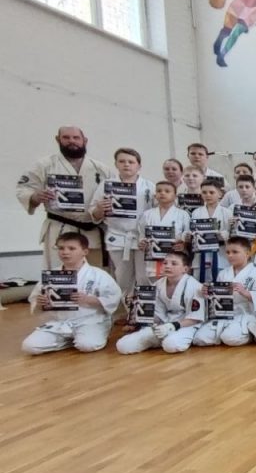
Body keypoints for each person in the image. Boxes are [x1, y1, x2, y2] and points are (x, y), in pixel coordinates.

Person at [17, 125, 112, 269]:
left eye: (76, 138)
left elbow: (113, 193)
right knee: (60, 270)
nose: (71, 141)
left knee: (95, 272)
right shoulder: (45, 165)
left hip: (92, 228)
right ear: (58, 140)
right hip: (60, 227)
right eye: (66, 137)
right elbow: (24, 188)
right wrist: (35, 196)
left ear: (84, 141)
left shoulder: (100, 168)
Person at [22, 233, 121, 355]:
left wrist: (89, 299)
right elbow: (35, 300)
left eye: (71, 248)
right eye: (61, 248)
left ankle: (91, 334)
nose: (65, 252)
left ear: (85, 251)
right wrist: (40, 302)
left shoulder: (98, 275)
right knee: (29, 346)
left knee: (88, 345)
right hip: (59, 323)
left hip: (89, 321)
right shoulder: (51, 275)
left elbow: (113, 297)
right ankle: (69, 341)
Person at [89, 147, 156, 297]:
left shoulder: (149, 186)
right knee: (122, 277)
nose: (126, 164)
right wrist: (100, 209)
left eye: (131, 162)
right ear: (116, 164)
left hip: (142, 238)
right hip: (118, 236)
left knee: (145, 276)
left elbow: (157, 212)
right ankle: (126, 307)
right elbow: (94, 213)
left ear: (139, 166)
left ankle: (145, 307)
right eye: (122, 161)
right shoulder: (106, 186)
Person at [116, 249, 206, 355]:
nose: (168, 266)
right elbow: (157, 315)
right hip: (162, 325)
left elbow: (195, 318)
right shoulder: (158, 285)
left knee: (171, 345)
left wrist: (172, 326)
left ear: (185, 269)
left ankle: (170, 339)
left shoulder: (195, 286)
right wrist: (136, 306)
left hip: (185, 326)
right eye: (165, 263)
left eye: (174, 264)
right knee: (123, 346)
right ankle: (159, 340)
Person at [194, 236, 256, 347]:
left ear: (247, 253)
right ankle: (225, 332)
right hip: (224, 315)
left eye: (235, 252)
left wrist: (246, 293)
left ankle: (249, 333)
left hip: (245, 315)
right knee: (199, 339)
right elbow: (217, 299)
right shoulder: (223, 273)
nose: (230, 255)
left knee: (229, 338)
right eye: (228, 252)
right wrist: (208, 293)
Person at [137, 181, 191, 282]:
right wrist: (142, 243)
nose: (162, 193)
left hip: (175, 256)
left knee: (174, 284)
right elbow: (142, 234)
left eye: (167, 191)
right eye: (159, 191)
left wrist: (184, 244)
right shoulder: (147, 214)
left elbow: (187, 234)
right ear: (155, 195)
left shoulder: (183, 214)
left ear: (175, 196)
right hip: (153, 259)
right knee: (155, 286)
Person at [189, 178, 231, 283]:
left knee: (220, 283)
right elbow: (192, 232)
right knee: (199, 285)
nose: (208, 195)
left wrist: (223, 235)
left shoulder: (227, 212)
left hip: (220, 255)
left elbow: (231, 234)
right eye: (204, 192)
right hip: (200, 255)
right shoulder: (196, 213)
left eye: (211, 192)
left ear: (220, 194)